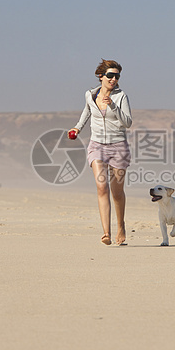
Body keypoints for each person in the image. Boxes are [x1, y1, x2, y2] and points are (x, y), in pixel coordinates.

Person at [69, 59, 132, 246]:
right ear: (101, 77)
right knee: (101, 187)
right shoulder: (90, 94)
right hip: (97, 145)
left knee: (117, 192)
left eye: (117, 76)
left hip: (119, 147)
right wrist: (77, 128)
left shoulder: (121, 97)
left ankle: (121, 226)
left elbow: (127, 123)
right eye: (110, 75)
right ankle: (106, 233)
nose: (114, 79)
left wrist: (113, 105)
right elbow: (87, 111)